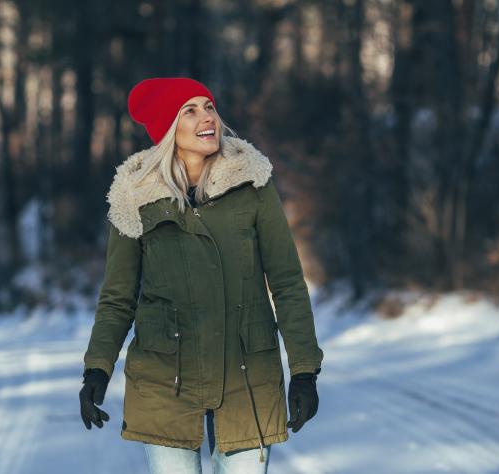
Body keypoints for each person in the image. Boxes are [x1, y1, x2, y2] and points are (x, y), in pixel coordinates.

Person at [79, 77, 324, 474]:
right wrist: (97, 368)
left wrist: (304, 371)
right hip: (164, 379)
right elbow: (118, 297)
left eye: (209, 106)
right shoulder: (136, 195)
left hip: (247, 376)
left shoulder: (252, 184)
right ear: (167, 129)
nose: (207, 117)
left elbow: (287, 283)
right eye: (189, 111)